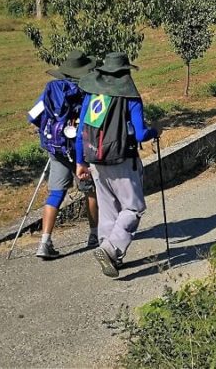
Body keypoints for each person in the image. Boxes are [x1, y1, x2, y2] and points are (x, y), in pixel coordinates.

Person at [75, 52, 159, 277]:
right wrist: (155, 130)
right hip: (123, 160)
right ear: (126, 73)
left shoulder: (93, 97)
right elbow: (141, 134)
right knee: (133, 208)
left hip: (95, 161)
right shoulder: (130, 98)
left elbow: (81, 132)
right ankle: (110, 249)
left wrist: (80, 162)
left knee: (108, 208)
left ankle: (112, 254)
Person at [28, 50, 99, 260]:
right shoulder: (87, 91)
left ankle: (44, 242)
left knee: (56, 193)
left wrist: (46, 131)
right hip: (80, 151)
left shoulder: (51, 90)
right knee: (90, 192)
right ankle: (94, 235)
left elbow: (32, 115)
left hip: (56, 149)